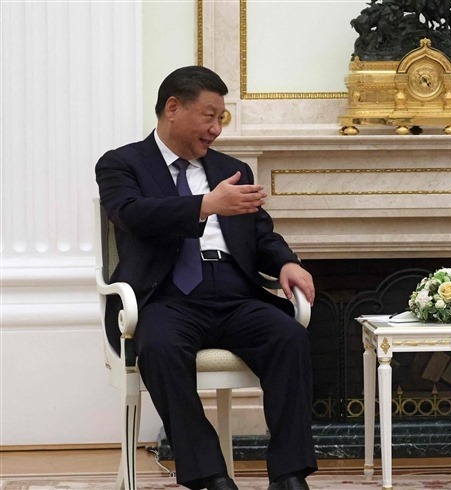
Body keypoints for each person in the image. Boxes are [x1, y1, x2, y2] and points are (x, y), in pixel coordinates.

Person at [96, 66, 317, 490]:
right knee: (160, 348)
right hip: (164, 297)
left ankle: (289, 475)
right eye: (209, 116)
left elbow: (260, 233)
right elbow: (131, 215)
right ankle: (210, 476)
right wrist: (205, 205)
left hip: (233, 291)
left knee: (289, 337)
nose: (216, 129)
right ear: (173, 108)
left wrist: (286, 263)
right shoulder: (122, 163)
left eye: (221, 119)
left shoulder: (232, 169)